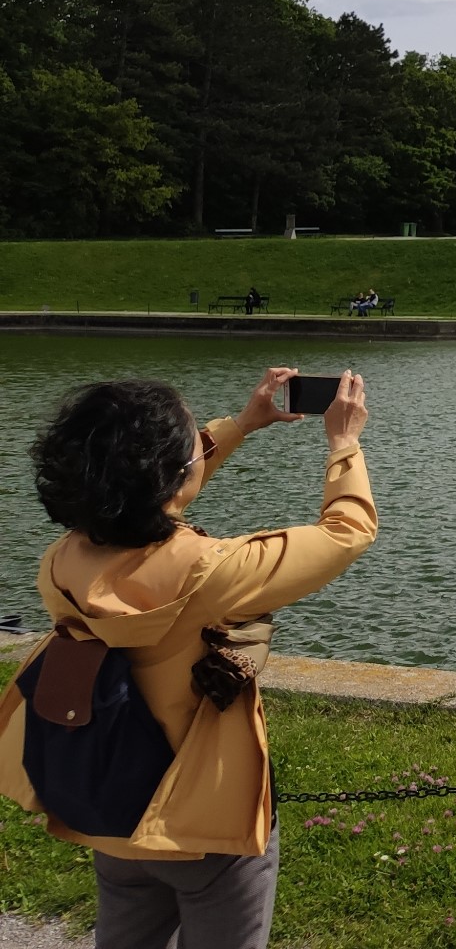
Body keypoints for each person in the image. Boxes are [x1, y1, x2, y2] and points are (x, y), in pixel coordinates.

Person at [0, 367, 376, 949]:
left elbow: (143, 491)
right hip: (203, 820)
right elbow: (346, 531)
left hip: (113, 801)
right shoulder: (214, 571)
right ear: (174, 473)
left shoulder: (60, 563)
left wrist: (241, 426)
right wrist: (344, 442)